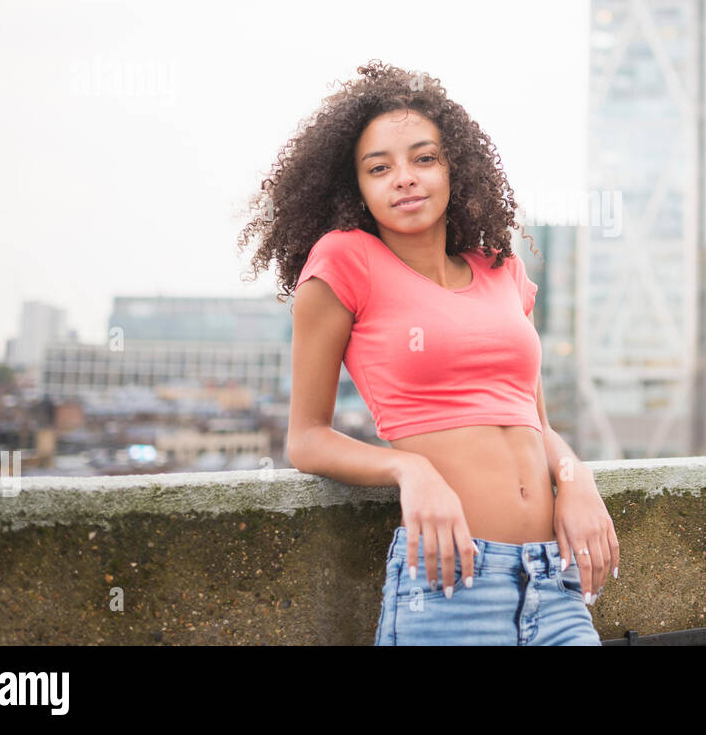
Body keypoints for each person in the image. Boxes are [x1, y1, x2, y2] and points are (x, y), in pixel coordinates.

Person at [239, 60, 617, 645]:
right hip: (452, 586)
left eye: (424, 158)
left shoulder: (503, 270)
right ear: (355, 187)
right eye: (379, 167)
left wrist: (577, 478)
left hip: (555, 580)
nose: (404, 178)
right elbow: (306, 439)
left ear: (453, 168)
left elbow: (534, 422)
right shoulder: (345, 262)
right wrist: (410, 469)